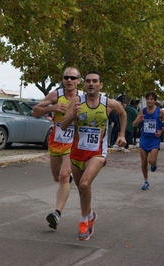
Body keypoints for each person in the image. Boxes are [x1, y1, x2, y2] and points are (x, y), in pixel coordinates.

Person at [61, 70, 127, 241]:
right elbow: (63, 126)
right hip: (76, 153)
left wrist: (122, 134)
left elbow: (123, 114)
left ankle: (83, 222)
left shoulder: (108, 103)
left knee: (84, 184)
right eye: (88, 81)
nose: (91, 84)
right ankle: (90, 213)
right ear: (84, 84)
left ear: (100, 85)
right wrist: (73, 116)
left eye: (95, 81)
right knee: (82, 189)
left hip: (97, 153)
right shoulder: (76, 101)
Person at [31, 67, 84, 230]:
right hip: (55, 142)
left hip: (73, 143)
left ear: (78, 81)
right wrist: (52, 108)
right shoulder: (56, 95)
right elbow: (35, 111)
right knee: (57, 177)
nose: (69, 80)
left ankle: (57, 213)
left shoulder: (83, 98)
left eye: (73, 78)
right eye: (66, 77)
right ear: (63, 79)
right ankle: (66, 181)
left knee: (62, 176)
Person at [132, 92, 164, 190]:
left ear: (154, 101)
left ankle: (154, 163)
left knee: (150, 161)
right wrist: (139, 120)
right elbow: (133, 124)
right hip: (144, 138)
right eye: (148, 99)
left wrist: (161, 130)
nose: (149, 101)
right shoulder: (143, 111)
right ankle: (146, 181)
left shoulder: (159, 111)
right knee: (144, 162)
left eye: (151, 99)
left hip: (154, 139)